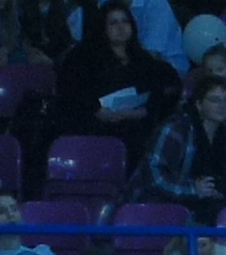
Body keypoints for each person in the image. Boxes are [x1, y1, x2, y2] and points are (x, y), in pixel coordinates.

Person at [52, 0, 179, 162]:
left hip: (135, 125)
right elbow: (69, 91)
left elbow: (168, 85)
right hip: (93, 126)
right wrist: (96, 110)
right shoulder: (82, 57)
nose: (121, 27)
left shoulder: (142, 58)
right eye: (113, 22)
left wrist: (142, 111)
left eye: (125, 21)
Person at [130, 72, 226, 224]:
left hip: (202, 206)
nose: (222, 106)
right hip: (157, 203)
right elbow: (153, 175)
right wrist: (193, 189)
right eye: (215, 100)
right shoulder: (176, 128)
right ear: (199, 104)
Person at [64, 0, 184, 72]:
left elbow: (152, 55)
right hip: (118, 63)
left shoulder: (156, 4)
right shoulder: (103, 4)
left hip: (166, 67)